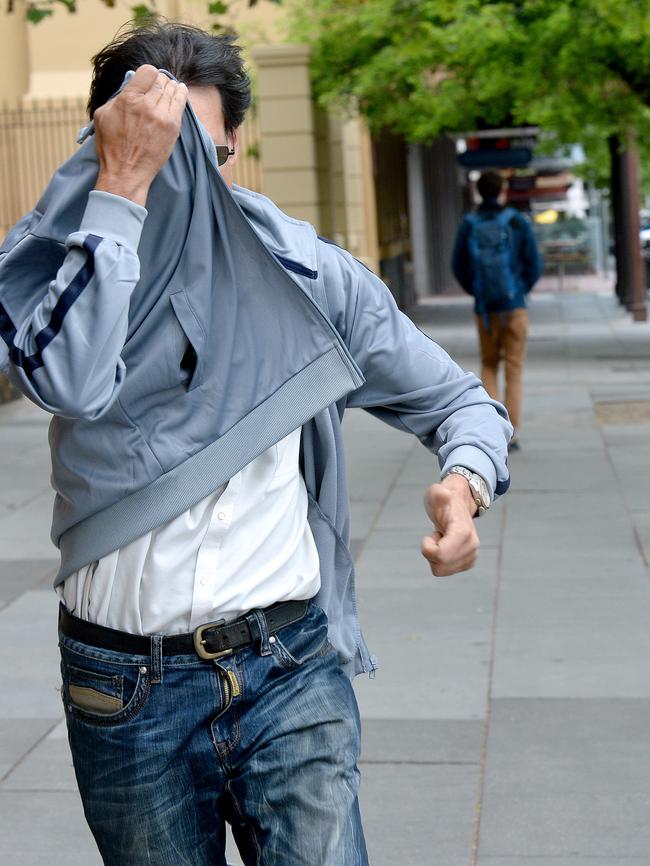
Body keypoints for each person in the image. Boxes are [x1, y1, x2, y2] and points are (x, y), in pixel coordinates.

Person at [0, 23, 511, 866]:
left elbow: (461, 402)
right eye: (155, 147)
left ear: (231, 149)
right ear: (105, 138)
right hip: (123, 689)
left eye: (198, 152)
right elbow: (70, 383)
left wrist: (466, 482)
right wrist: (121, 190)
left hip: (290, 667)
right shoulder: (57, 269)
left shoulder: (305, 275)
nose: (180, 178)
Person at [452, 170, 542, 449]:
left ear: (480, 191)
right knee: (514, 369)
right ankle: (512, 433)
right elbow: (534, 264)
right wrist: (519, 289)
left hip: (486, 310)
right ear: (502, 190)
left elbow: (458, 265)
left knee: (489, 364)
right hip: (514, 307)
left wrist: (478, 291)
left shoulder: (469, 224)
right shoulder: (516, 222)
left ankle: (494, 429)